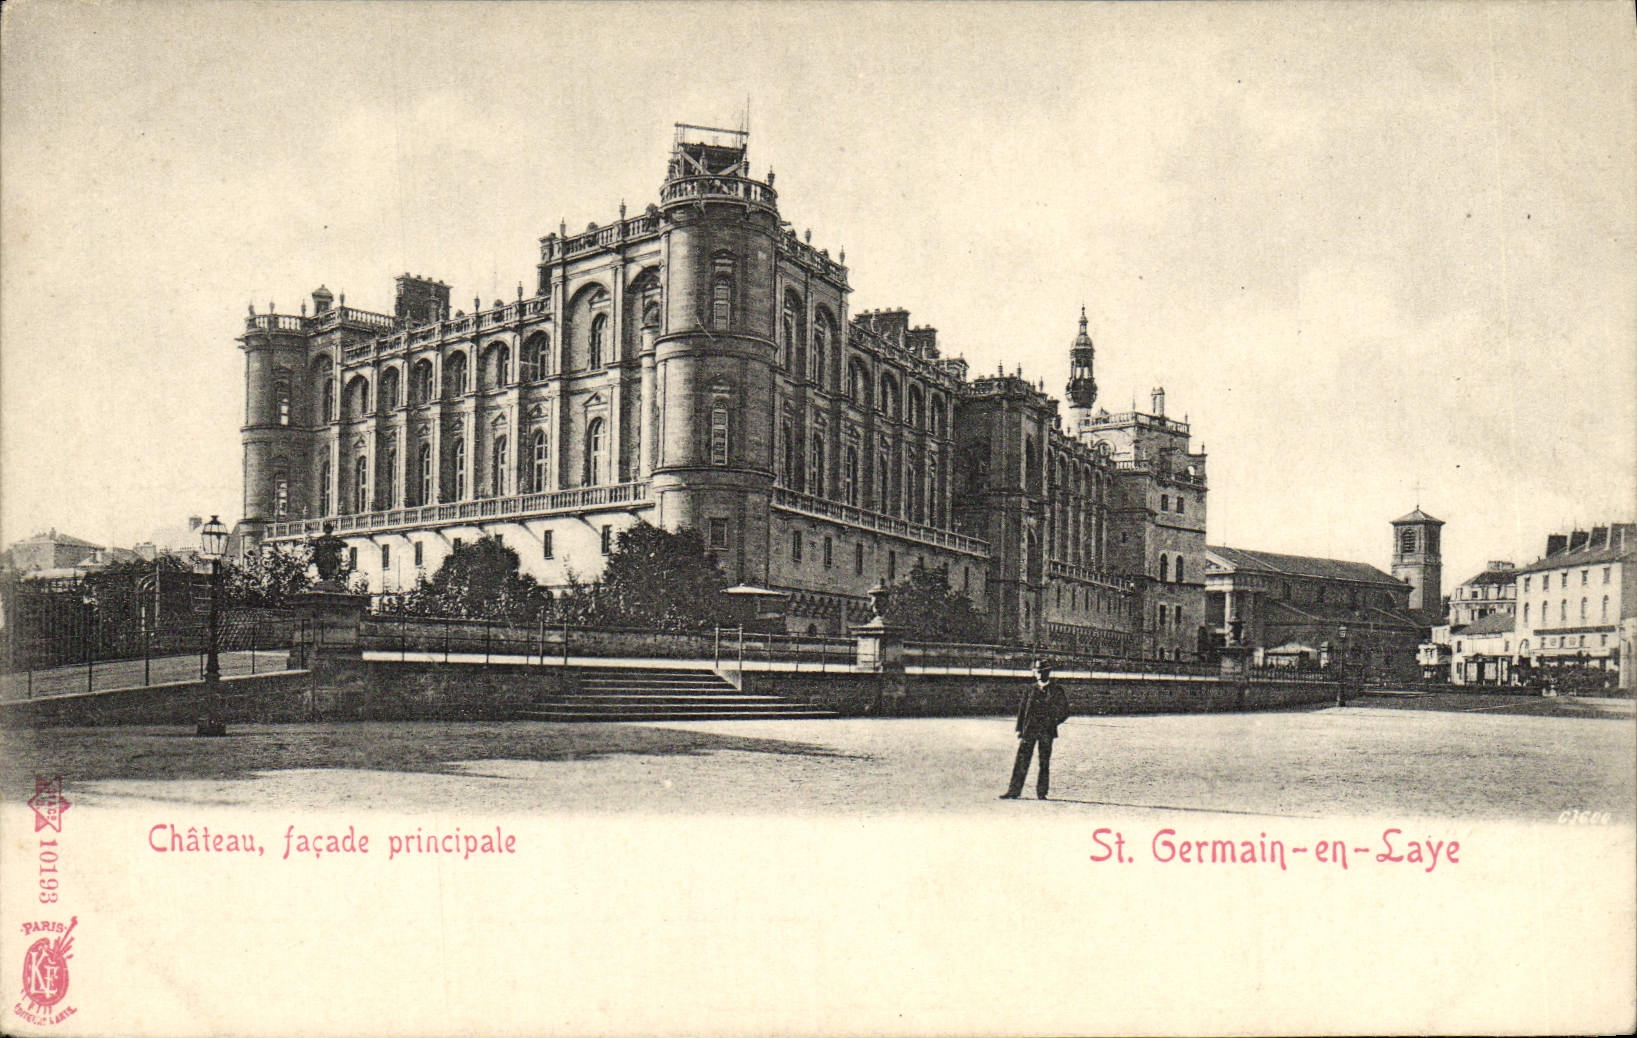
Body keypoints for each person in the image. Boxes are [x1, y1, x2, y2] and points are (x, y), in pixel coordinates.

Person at [1000, 659, 1072, 800]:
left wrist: (1053, 722)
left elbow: (1065, 711)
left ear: (1048, 672)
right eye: (1037, 671)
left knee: (1044, 762)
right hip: (1029, 730)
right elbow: (1022, 710)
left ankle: (1042, 792)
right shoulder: (1030, 689)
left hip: (1046, 732)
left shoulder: (1056, 690)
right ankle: (1014, 791)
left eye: (1042, 671)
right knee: (1021, 760)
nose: (1039, 674)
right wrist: (1019, 728)